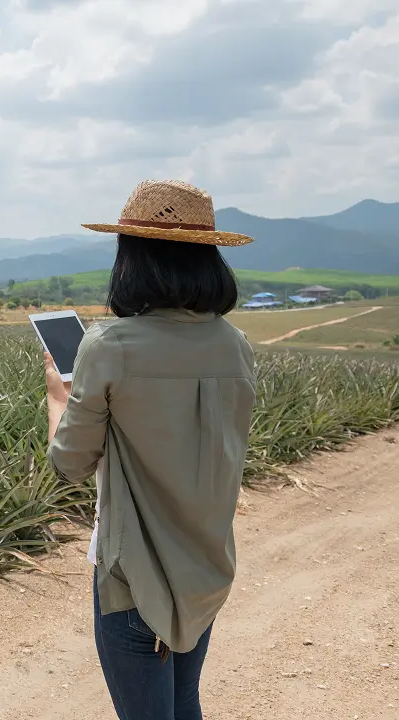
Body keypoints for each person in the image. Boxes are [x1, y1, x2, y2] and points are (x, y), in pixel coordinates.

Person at [44, 180, 257, 720]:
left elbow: (69, 462)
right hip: (206, 568)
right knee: (184, 702)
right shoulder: (234, 345)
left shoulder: (110, 344)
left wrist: (57, 397)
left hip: (135, 581)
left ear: (133, 259)